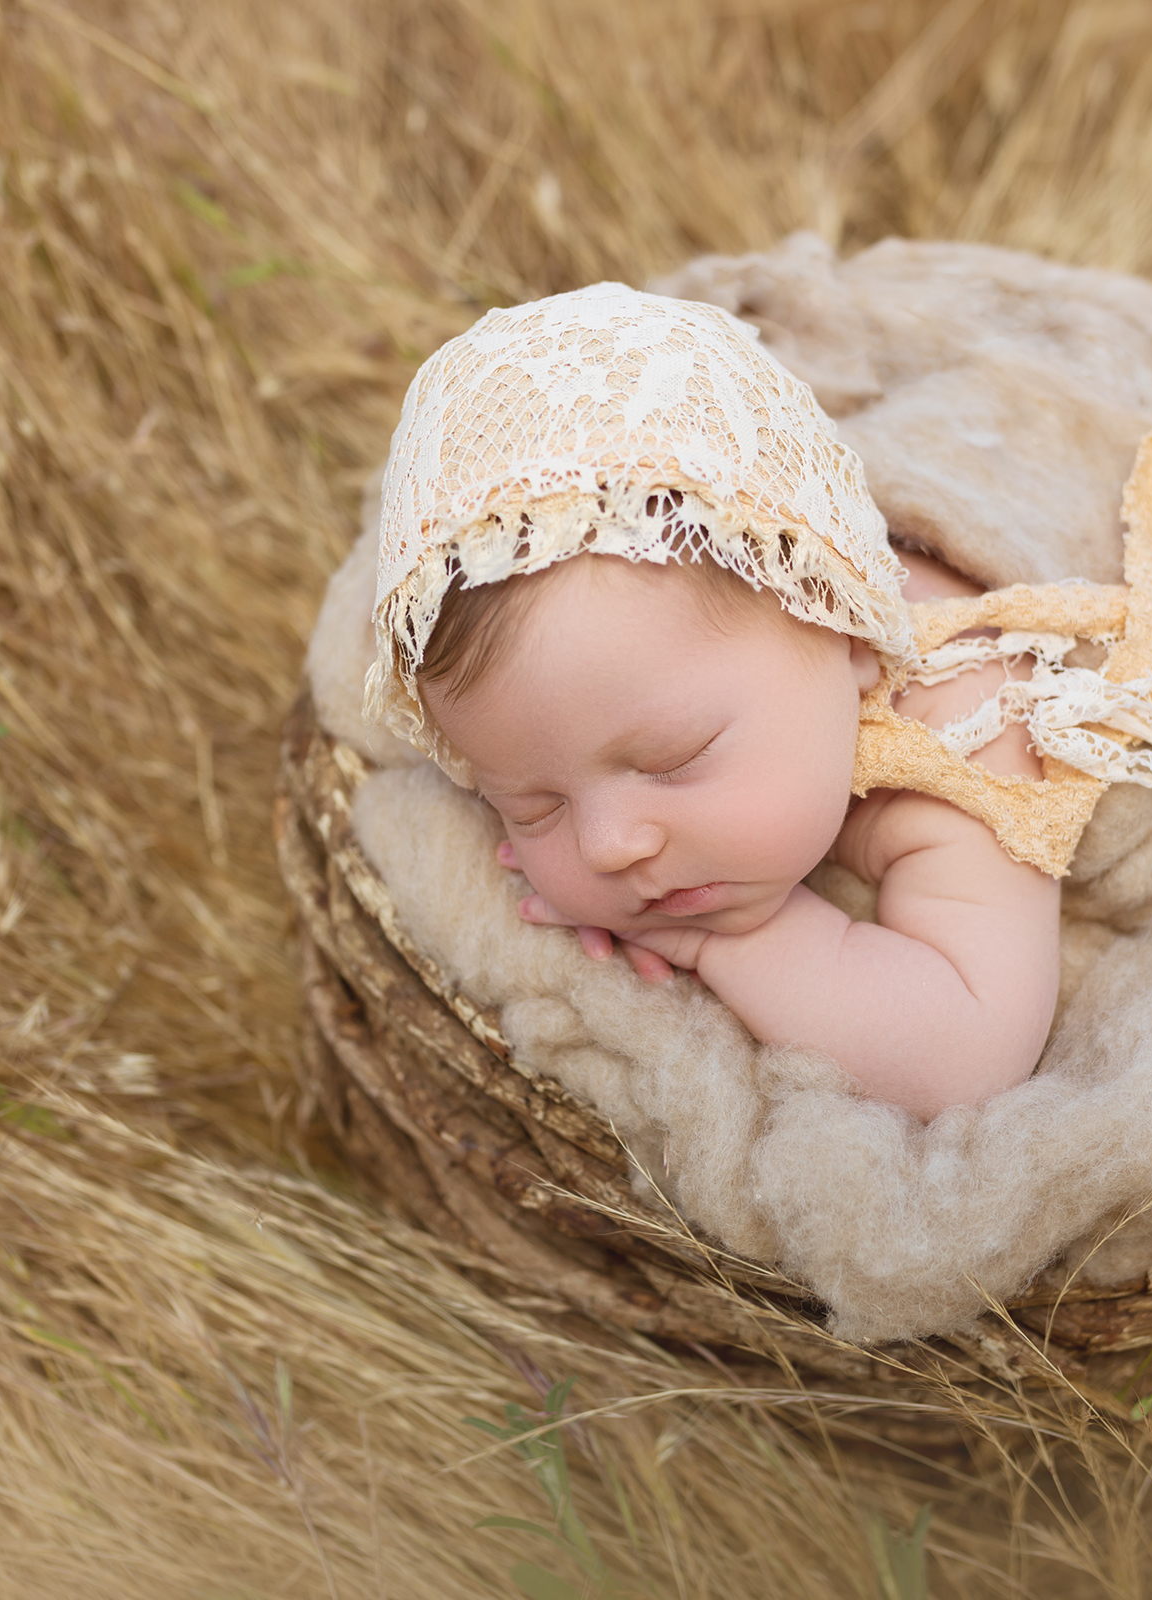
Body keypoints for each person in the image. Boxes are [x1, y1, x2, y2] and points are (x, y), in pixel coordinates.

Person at [366, 283, 1060, 1119]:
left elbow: (968, 1052)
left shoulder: (964, 721)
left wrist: (726, 941)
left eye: (674, 760)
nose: (610, 845)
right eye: (533, 806)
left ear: (844, 633)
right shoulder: (727, 680)